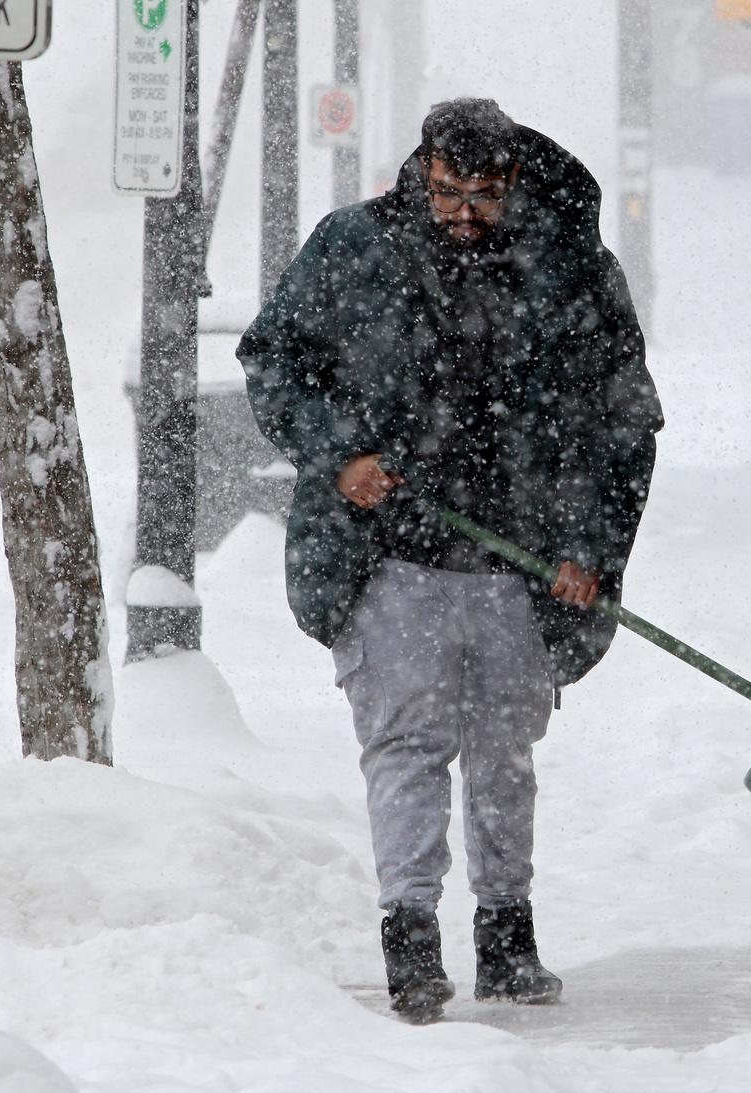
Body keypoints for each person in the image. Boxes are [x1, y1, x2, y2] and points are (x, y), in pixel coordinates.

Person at [238, 98, 662, 1024]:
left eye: (481, 194)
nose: (462, 211)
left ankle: (507, 939)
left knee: (505, 758)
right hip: (387, 559)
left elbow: (623, 423)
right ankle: (411, 944)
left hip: (521, 567)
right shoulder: (355, 249)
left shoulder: (575, 273)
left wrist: (589, 548)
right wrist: (340, 452)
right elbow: (273, 359)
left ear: (514, 180)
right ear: (419, 169)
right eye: (445, 191)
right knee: (407, 749)